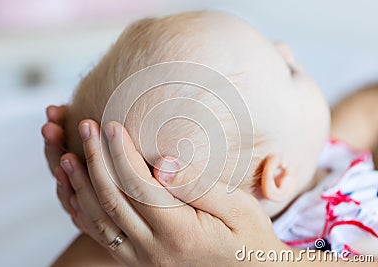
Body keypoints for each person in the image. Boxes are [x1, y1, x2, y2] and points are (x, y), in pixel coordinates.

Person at [41, 10, 378, 266]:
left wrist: (109, 225)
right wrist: (109, 216)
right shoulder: (348, 232)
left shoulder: (319, 157)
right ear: (276, 175)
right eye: (287, 70)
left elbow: (365, 115)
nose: (285, 48)